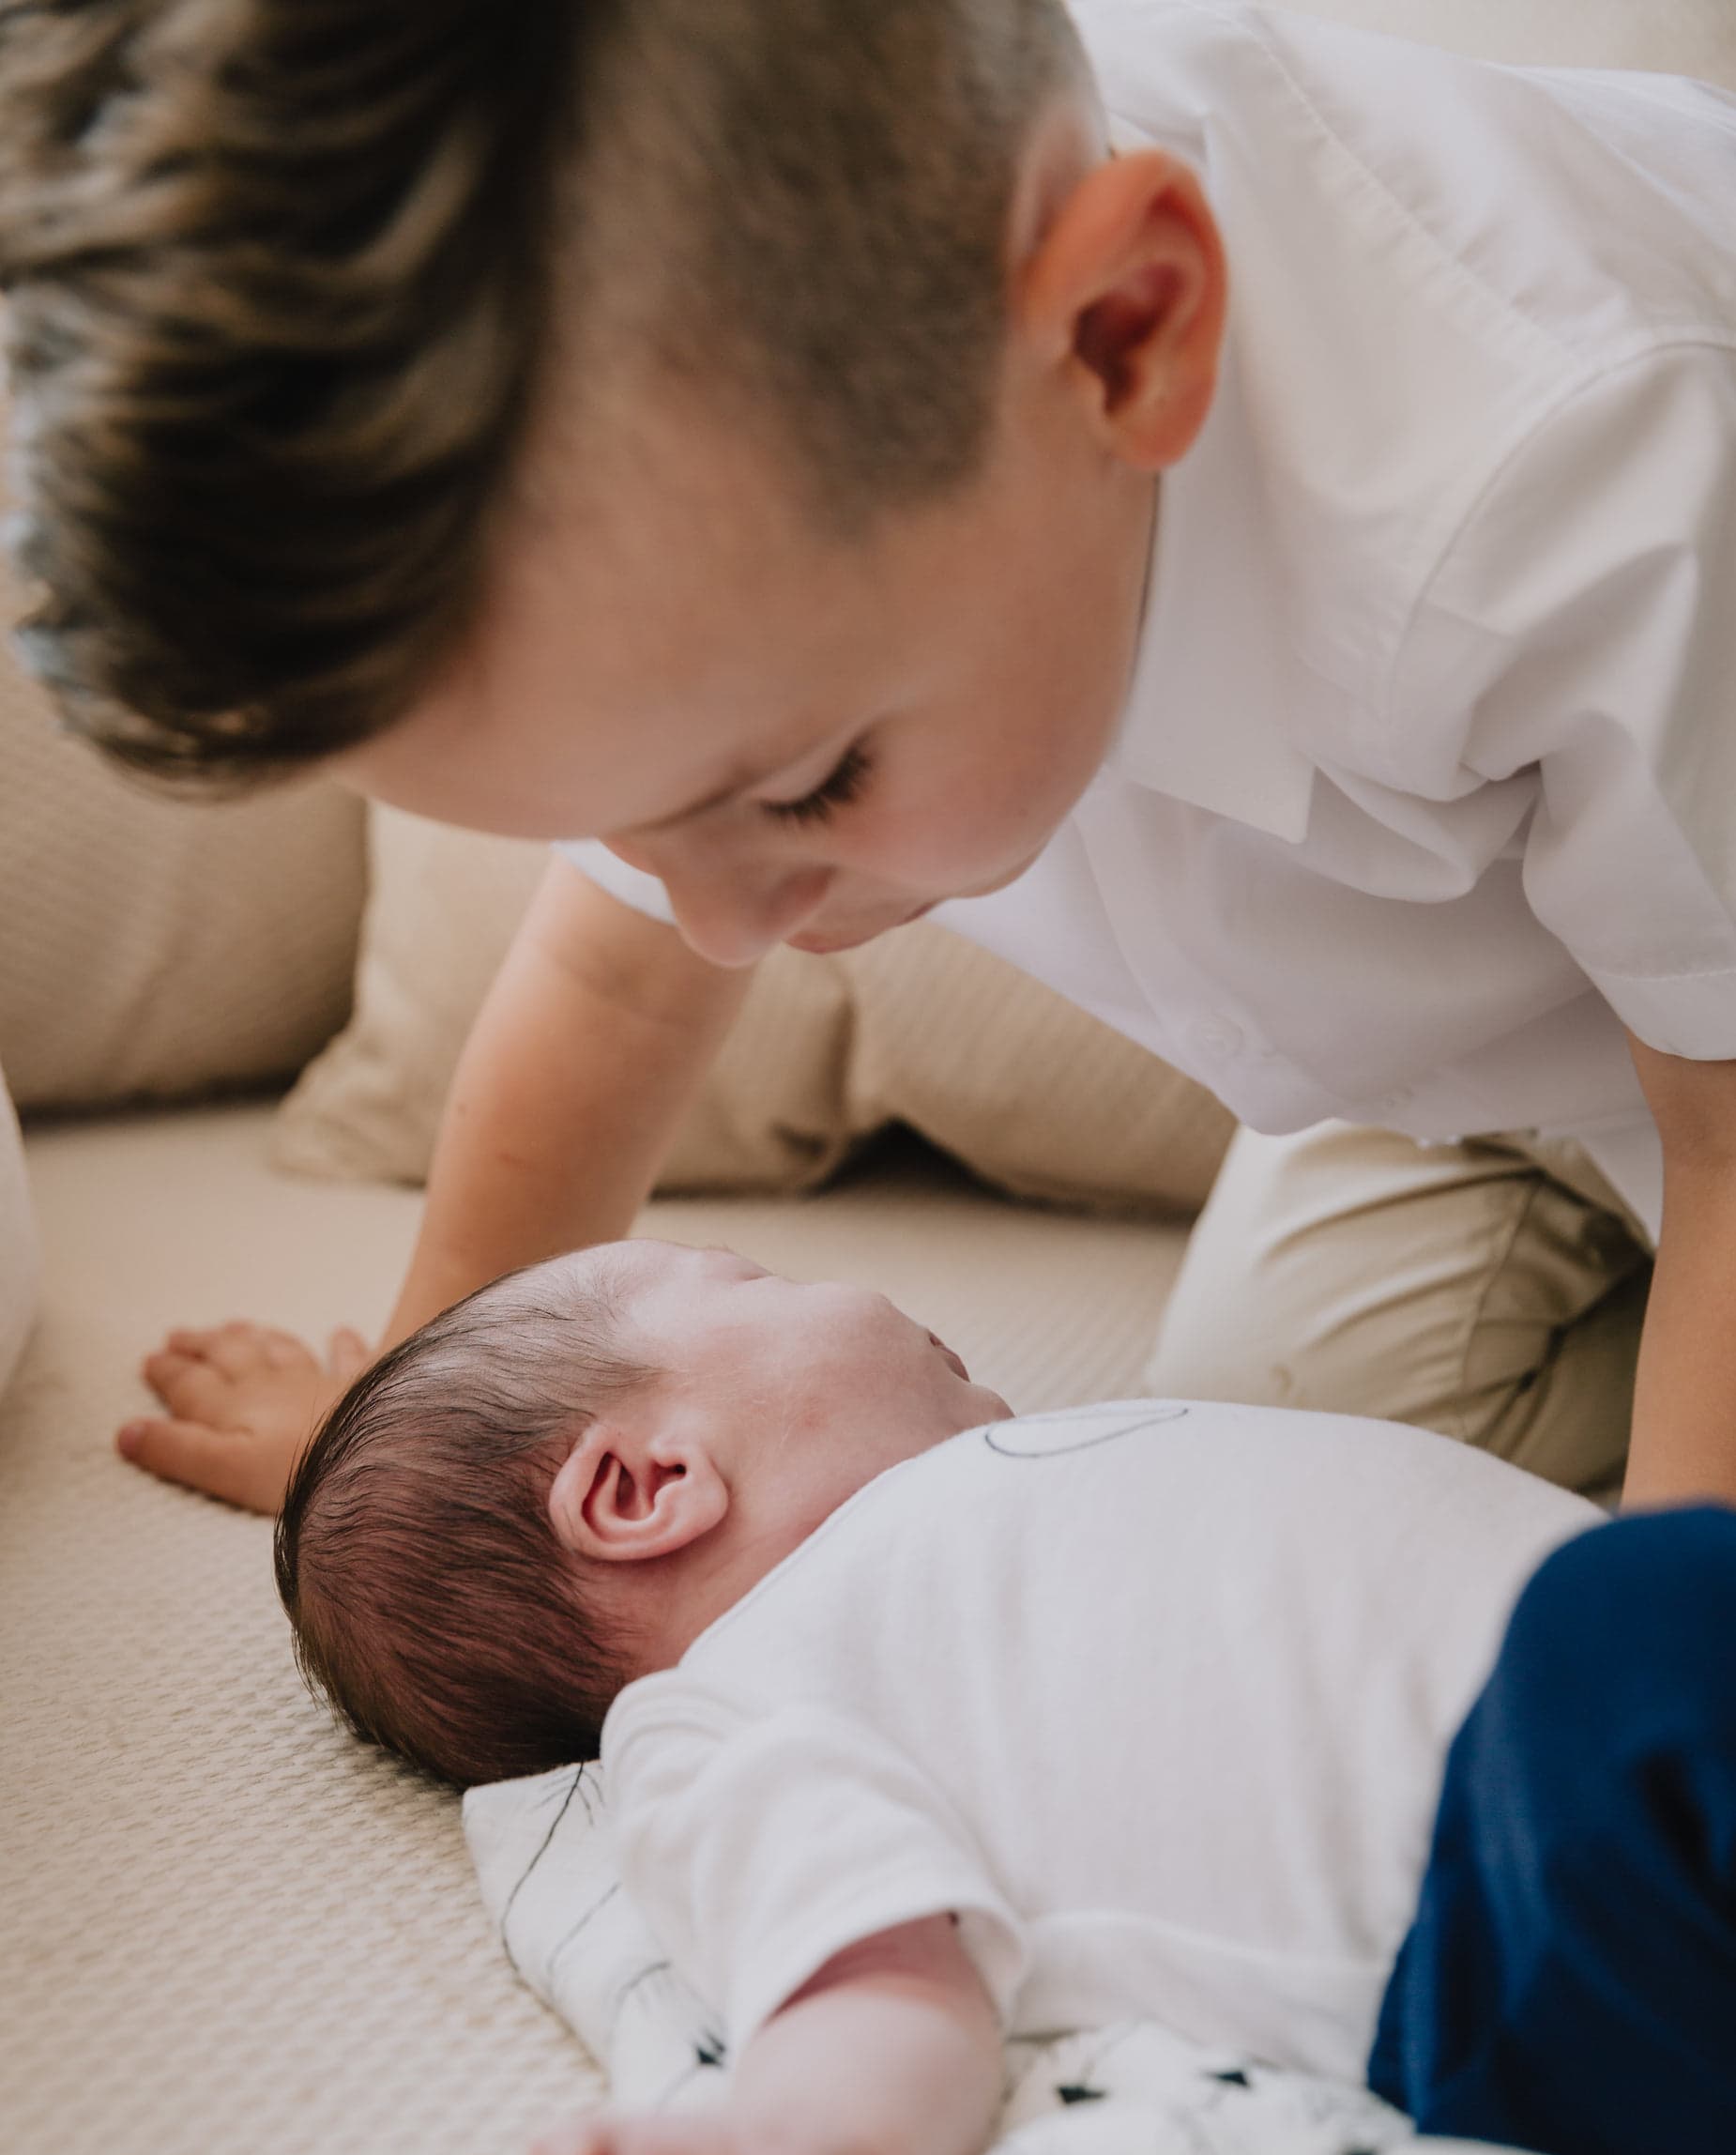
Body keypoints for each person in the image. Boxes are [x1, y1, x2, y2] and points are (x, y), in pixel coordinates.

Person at [2, 1, 1733, 1512]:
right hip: (1480, 1043)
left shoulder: (1571, 479)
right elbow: (610, 992)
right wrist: (408, 1427)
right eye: (625, 829)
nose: (721, 931)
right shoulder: (695, 523)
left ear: (1126, 337)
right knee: (1265, 1485)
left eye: (807, 791)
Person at [278, 1240, 1736, 2155]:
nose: (843, 1285)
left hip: (1606, 1742)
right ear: (648, 1483)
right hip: (1521, 1888)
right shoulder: (722, 1709)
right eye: (753, 1282)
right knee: (1650, 1617)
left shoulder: (985, 1511)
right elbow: (873, 1981)